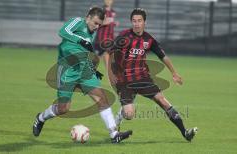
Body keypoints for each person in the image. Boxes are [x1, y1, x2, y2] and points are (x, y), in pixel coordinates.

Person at [32, 6, 132, 143]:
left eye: (99, 24)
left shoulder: (93, 32)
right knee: (63, 108)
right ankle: (41, 118)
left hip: (84, 70)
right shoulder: (77, 21)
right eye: (95, 23)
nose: (97, 27)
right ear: (88, 18)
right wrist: (80, 39)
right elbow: (63, 31)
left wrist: (93, 69)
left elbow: (86, 52)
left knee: (102, 99)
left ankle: (114, 134)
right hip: (67, 71)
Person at [112, 8, 197, 142]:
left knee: (163, 101)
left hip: (143, 77)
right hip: (126, 80)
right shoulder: (123, 36)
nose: (136, 24)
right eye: (134, 21)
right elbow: (110, 54)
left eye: (139, 21)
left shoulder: (148, 39)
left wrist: (174, 73)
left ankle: (185, 132)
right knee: (129, 115)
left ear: (144, 22)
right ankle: (116, 126)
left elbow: (163, 56)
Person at [94, 0, 119, 85]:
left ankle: (111, 80)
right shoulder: (101, 11)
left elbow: (110, 24)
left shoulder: (113, 12)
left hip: (109, 40)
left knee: (107, 60)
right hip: (101, 39)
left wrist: (114, 23)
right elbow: (97, 22)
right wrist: (106, 21)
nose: (108, 1)